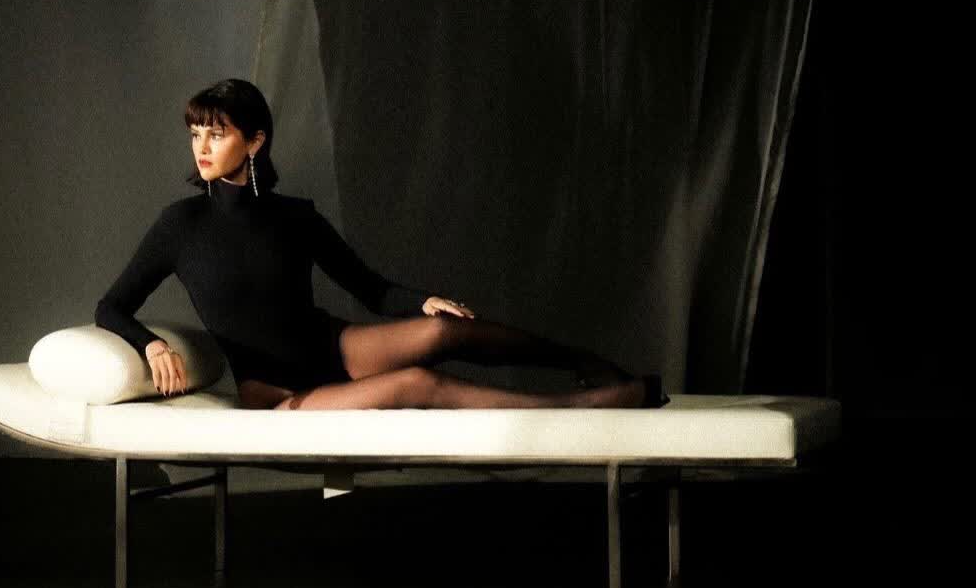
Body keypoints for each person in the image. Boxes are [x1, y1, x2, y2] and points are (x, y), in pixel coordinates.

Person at [95, 78, 668, 411]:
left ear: (255, 142)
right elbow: (111, 307)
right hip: (276, 388)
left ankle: (587, 363)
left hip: (335, 348)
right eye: (196, 133)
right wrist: (151, 344)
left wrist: (422, 301)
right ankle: (584, 408)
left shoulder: (294, 216)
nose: (201, 147)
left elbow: (369, 288)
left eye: (216, 133)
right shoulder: (180, 225)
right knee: (418, 383)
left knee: (445, 330)